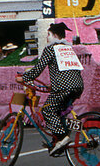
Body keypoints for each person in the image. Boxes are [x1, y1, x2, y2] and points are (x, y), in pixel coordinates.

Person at [19, 22, 84, 156]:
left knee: (48, 110)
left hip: (63, 88)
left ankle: (62, 137)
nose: (47, 38)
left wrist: (24, 77)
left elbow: (37, 69)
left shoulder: (50, 49)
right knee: (59, 111)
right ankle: (60, 138)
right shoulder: (69, 49)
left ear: (54, 35)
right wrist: (52, 85)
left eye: (48, 35)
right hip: (77, 86)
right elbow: (67, 71)